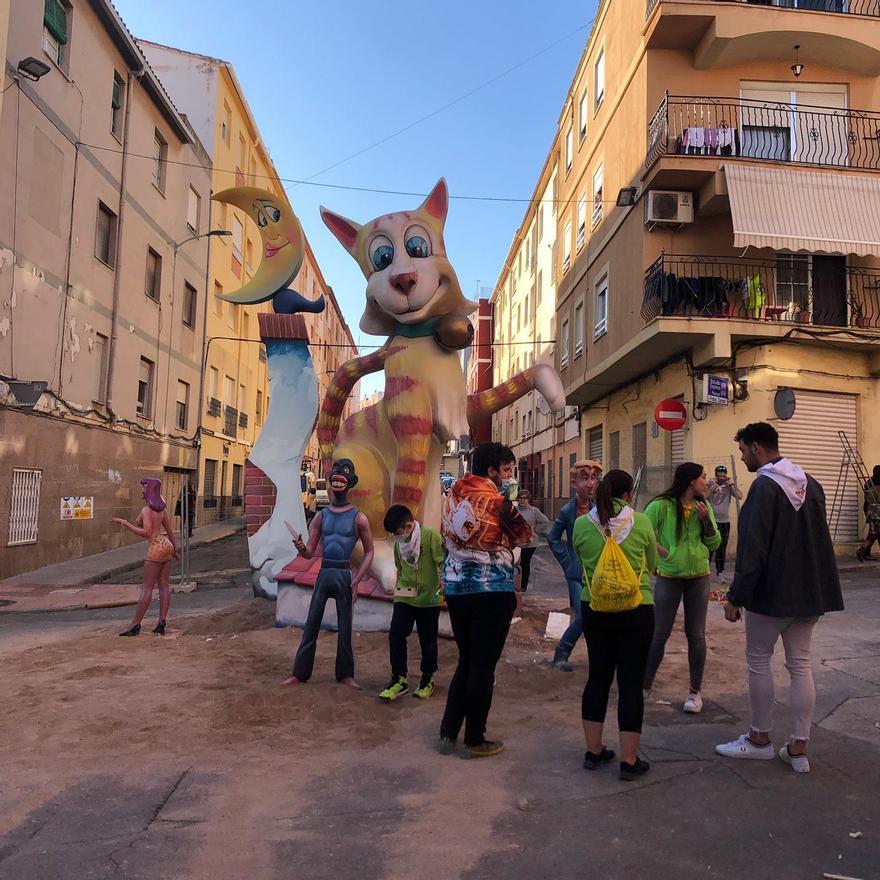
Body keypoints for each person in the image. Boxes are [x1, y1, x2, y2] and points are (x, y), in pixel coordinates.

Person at [715, 423, 844, 773]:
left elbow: (753, 549)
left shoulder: (764, 487)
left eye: (743, 451)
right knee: (800, 665)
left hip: (771, 595)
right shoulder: (810, 483)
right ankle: (799, 748)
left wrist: (735, 597)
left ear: (757, 448)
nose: (742, 458)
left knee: (759, 661)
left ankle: (759, 739)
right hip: (809, 594)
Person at [438, 442, 532, 759]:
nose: (508, 477)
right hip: (492, 590)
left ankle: (449, 732)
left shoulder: (452, 497)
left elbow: (445, 535)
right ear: (492, 471)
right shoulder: (499, 502)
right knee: (483, 667)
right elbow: (525, 535)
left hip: (457, 589)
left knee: (466, 660)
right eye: (506, 471)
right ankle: (474, 739)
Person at [574, 470, 659, 781]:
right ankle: (628, 760)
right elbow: (652, 565)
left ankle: (593, 753)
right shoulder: (643, 522)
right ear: (627, 495)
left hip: (594, 606)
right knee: (630, 684)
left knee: (597, 677)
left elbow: (579, 558)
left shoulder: (582, 524)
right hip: (637, 608)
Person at [281, 458, 374, 690]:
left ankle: (345, 674)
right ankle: (300, 673)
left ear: (350, 483)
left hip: (344, 574)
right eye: (335, 478)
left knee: (345, 628)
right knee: (311, 624)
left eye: (343, 478)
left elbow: (370, 552)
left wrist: (357, 579)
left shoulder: (359, 518)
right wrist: (302, 549)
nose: (338, 482)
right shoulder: (321, 517)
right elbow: (310, 553)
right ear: (331, 483)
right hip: (325, 573)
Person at [643, 462, 721, 714]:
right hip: (669, 577)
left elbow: (714, 542)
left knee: (696, 635)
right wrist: (656, 553)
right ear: (690, 481)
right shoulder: (661, 506)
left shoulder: (703, 506)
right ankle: (644, 687)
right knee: (658, 634)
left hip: (699, 576)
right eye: (703, 477)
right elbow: (641, 531)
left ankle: (694, 692)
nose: (706, 482)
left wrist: (705, 520)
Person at [378, 504, 445, 702]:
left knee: (428, 640)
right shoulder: (400, 544)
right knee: (396, 634)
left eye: (397, 533)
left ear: (408, 527)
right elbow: (400, 568)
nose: (395, 537)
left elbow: (442, 562)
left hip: (428, 599)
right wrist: (397, 592)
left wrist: (443, 584)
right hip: (404, 596)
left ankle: (427, 678)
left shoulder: (431, 537)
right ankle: (399, 678)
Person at [547, 460, 603, 671]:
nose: (590, 484)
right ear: (574, 483)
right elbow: (553, 537)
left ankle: (598, 656)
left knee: (597, 615)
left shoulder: (598, 509)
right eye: (585, 478)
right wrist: (566, 561)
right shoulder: (567, 511)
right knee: (583, 616)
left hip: (596, 571)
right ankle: (562, 651)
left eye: (594, 478)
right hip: (577, 573)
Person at [113, 478, 178, 636]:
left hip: (156, 547)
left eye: (143, 488)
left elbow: (147, 533)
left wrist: (125, 523)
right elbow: (170, 531)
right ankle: (161, 622)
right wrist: (175, 550)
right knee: (164, 585)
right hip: (166, 545)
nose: (141, 491)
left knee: (147, 588)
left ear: (149, 491)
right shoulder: (161, 510)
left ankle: (135, 624)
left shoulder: (146, 511)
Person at [706, 465, 742, 581]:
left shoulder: (728, 486)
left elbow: (740, 496)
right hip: (712, 521)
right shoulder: (710, 484)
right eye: (719, 476)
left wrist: (731, 484)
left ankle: (719, 573)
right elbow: (705, 497)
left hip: (724, 521)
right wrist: (713, 486)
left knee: (722, 548)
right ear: (716, 475)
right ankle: (706, 571)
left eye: (724, 475)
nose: (722, 477)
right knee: (709, 548)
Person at [514, 490, 551, 593]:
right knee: (515, 564)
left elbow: (545, 521)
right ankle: (516, 585)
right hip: (517, 542)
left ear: (528, 499)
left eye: (525, 498)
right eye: (521, 498)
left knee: (525, 564)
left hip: (530, 543)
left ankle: (523, 587)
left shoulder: (534, 511)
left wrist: (535, 531)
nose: (522, 500)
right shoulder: (514, 510)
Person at [856, 464, 880, 562]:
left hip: (870, 510)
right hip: (876, 511)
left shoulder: (869, 482)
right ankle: (862, 551)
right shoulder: (877, 483)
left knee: (875, 532)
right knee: (874, 533)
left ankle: (865, 553)